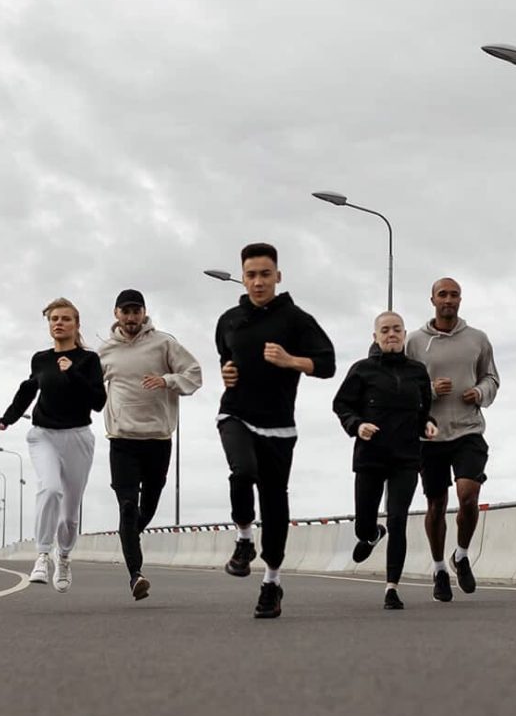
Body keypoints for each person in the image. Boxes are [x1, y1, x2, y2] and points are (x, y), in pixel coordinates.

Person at [215, 242, 335, 619]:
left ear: (278, 277)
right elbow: (226, 357)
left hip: (279, 425)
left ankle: (272, 581)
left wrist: (291, 360)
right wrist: (227, 372)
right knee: (242, 471)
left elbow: (328, 363)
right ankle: (245, 539)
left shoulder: (296, 320)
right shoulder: (228, 320)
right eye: (251, 274)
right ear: (243, 277)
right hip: (235, 413)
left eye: (265, 274)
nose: (258, 281)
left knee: (274, 503)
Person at [97, 288, 202, 601]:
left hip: (158, 439)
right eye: (125, 311)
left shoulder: (164, 343)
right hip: (122, 440)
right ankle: (136, 575)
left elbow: (194, 374)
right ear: (116, 314)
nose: (131, 317)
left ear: (143, 313)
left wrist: (167, 380)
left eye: (136, 311)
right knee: (127, 506)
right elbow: (86, 384)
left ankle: (128, 538)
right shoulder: (105, 351)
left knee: (148, 506)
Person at [0, 297, 106, 593]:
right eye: (54, 319)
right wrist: (8, 416)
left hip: (78, 437)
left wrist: (72, 372)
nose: (59, 323)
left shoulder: (88, 360)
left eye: (65, 319)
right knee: (50, 489)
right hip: (43, 434)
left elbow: (98, 402)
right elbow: (29, 389)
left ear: (76, 324)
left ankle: (65, 557)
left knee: (70, 513)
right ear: (49, 325)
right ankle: (43, 555)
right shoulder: (40, 359)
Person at [333, 311, 437, 610]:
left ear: (404, 335)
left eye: (397, 330)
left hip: (406, 457)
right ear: (376, 337)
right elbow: (341, 404)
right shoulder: (362, 370)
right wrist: (357, 425)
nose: (391, 334)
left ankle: (392, 588)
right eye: (385, 330)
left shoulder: (417, 371)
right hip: (371, 457)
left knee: (398, 519)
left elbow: (423, 411)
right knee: (364, 523)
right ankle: (370, 535)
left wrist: (427, 424)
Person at [405, 278, 499, 602]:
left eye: (454, 294)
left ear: (461, 299)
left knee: (468, 494)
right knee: (437, 504)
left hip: (468, 429)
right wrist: (429, 391)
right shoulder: (414, 342)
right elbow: (402, 387)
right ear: (432, 299)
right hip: (430, 434)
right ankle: (439, 569)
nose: (448, 299)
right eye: (442, 294)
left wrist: (481, 392)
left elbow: (492, 377)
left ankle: (461, 554)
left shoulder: (478, 339)